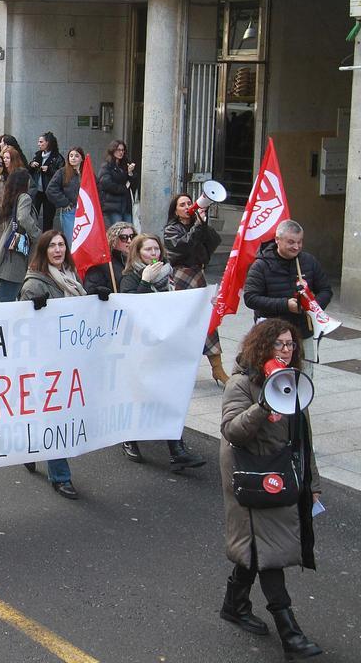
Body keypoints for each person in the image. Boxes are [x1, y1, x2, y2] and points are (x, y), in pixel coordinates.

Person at [219, 318, 322, 660]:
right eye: (279, 344)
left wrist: (312, 482)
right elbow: (232, 430)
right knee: (269, 552)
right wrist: (263, 406)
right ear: (262, 345)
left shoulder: (292, 381)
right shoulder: (241, 383)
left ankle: (234, 605)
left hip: (279, 475)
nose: (286, 350)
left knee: (258, 545)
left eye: (291, 344)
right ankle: (290, 634)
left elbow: (303, 440)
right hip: (250, 476)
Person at [117, 233, 205, 469]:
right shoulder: (129, 277)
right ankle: (129, 439)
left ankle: (177, 450)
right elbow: (132, 309)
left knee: (169, 395)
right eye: (148, 250)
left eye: (156, 249)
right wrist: (145, 282)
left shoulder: (169, 276)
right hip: (139, 348)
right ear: (137, 253)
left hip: (165, 346)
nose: (154, 254)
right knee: (138, 396)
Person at [18, 230, 83, 499]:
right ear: (43, 251)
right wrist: (33, 311)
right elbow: (22, 330)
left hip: (71, 359)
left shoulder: (72, 278)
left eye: (61, 245)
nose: (58, 250)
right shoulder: (34, 285)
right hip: (46, 363)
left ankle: (29, 447)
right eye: (52, 246)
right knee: (55, 417)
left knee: (51, 415)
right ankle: (61, 476)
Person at [243, 220, 331, 377]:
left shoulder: (309, 261)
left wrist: (312, 306)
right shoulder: (261, 265)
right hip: (272, 334)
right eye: (291, 242)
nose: (296, 247)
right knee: (272, 376)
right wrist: (285, 305)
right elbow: (250, 298)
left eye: (300, 242)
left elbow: (325, 290)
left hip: (303, 332)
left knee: (304, 376)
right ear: (277, 239)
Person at [164, 193, 227, 384]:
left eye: (189, 203)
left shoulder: (198, 224)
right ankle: (179, 367)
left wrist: (203, 224)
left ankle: (218, 369)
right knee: (184, 322)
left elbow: (214, 242)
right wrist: (198, 227)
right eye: (182, 205)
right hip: (182, 276)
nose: (187, 207)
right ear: (175, 211)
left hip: (198, 275)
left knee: (207, 319)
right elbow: (184, 246)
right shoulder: (171, 230)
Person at [0, 168, 41, 303]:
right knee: (7, 294)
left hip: (9, 245)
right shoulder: (25, 197)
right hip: (17, 251)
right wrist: (37, 234)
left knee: (8, 291)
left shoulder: (11, 197)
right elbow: (23, 217)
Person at [82, 222, 134, 296]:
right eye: (124, 238)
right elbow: (90, 289)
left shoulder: (139, 260)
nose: (129, 241)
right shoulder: (102, 264)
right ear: (113, 240)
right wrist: (98, 291)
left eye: (132, 237)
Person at [47, 146, 84, 243]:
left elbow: (96, 189)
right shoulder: (62, 172)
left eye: (76, 156)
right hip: (70, 210)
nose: (73, 158)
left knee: (83, 241)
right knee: (71, 240)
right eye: (71, 156)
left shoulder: (87, 173)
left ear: (82, 158)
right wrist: (65, 202)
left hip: (84, 212)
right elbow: (51, 189)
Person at [98, 139, 135, 226]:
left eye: (122, 150)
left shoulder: (126, 164)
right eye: (118, 150)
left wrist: (130, 173)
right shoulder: (106, 166)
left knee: (129, 229)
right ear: (112, 150)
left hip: (126, 205)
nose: (121, 152)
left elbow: (133, 183)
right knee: (117, 230)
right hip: (113, 206)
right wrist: (123, 188)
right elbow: (106, 183)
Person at [30, 132, 62, 230]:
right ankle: (33, 236)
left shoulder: (57, 157)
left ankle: (47, 237)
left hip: (49, 192)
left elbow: (61, 174)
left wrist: (49, 170)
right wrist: (31, 165)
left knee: (48, 218)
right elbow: (29, 172)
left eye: (41, 142)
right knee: (33, 216)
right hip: (37, 191)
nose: (38, 144)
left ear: (48, 142)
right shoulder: (37, 155)